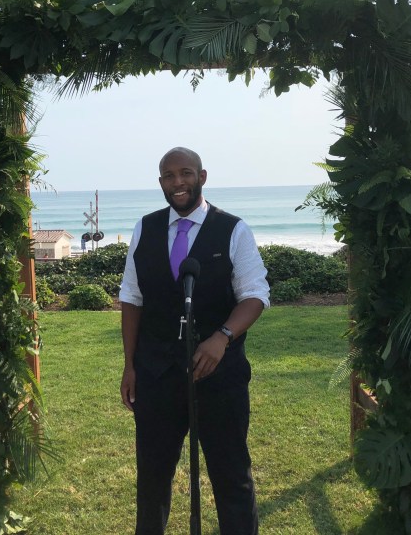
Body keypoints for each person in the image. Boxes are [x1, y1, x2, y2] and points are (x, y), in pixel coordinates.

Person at [119, 147, 270, 535]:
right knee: (152, 479)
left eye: (186, 173)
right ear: (161, 183)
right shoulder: (145, 228)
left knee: (231, 477)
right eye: (169, 176)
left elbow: (255, 295)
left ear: (202, 177)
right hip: (156, 375)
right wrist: (130, 365)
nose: (178, 183)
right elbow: (132, 298)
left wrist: (222, 337)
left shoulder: (233, 229)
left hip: (219, 376)